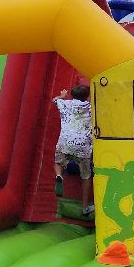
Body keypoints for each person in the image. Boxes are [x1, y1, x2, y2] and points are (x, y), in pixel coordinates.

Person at [53, 85, 94, 215]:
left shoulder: (65, 104)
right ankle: (85, 207)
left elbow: (55, 100)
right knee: (86, 176)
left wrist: (62, 96)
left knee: (58, 162)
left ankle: (59, 175)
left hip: (65, 142)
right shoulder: (91, 108)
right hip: (82, 146)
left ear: (72, 95)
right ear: (87, 96)